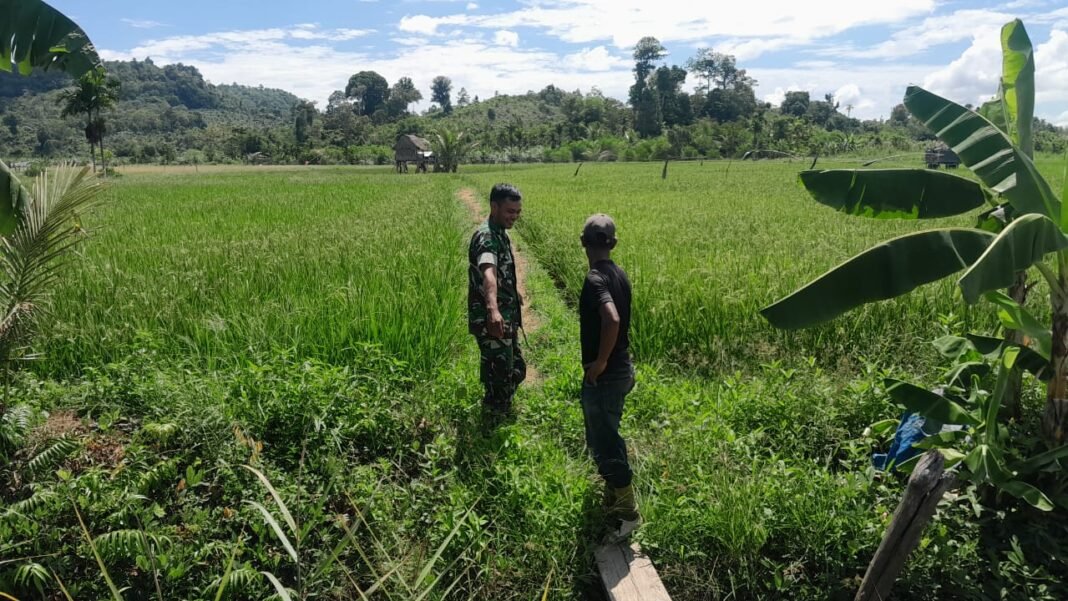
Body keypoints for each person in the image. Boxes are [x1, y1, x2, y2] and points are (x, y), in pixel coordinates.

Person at [579, 213, 640, 544]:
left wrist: (600, 361)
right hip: (622, 369)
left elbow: (612, 320)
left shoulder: (594, 279)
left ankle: (627, 514)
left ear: (583, 242)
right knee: (606, 433)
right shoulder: (620, 273)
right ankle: (612, 497)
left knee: (605, 442)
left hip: (608, 374)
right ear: (613, 244)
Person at [468, 183, 526, 422]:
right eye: (509, 211)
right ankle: (493, 422)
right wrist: (493, 309)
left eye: (517, 212)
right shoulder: (487, 236)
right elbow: (489, 272)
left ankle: (501, 410)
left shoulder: (500, 232)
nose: (514, 216)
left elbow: (501, 274)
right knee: (499, 375)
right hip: (492, 320)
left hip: (505, 317)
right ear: (494, 207)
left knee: (516, 368)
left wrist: (513, 292)